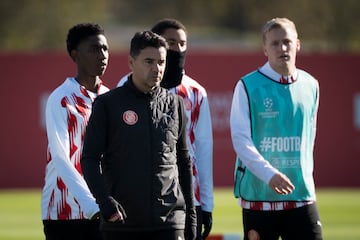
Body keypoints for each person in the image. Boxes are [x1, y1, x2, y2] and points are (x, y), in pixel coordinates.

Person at [81, 30, 197, 240]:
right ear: (131, 62)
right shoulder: (108, 104)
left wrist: (191, 216)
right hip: (122, 223)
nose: (157, 68)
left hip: (170, 222)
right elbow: (89, 159)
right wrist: (104, 202)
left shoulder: (175, 104)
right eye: (149, 61)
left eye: (161, 62)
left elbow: (183, 161)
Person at [117, 18, 214, 240]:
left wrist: (206, 204)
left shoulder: (196, 92)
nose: (177, 49)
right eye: (171, 42)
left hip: (188, 200)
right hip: (140, 198)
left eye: (183, 43)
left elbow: (204, 148)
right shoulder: (125, 86)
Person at [230, 18, 323, 240]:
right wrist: (269, 174)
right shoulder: (247, 86)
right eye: (274, 43)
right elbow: (240, 140)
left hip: (301, 195)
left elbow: (309, 138)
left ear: (297, 44)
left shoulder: (311, 85)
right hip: (259, 196)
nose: (282, 48)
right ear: (264, 48)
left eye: (287, 42)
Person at [41, 23, 110, 240]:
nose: (102, 55)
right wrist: (92, 205)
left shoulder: (112, 99)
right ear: (75, 55)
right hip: (65, 213)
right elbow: (61, 158)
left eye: (105, 49)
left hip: (106, 210)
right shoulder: (60, 99)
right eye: (94, 49)